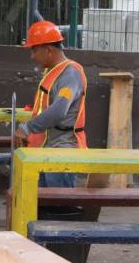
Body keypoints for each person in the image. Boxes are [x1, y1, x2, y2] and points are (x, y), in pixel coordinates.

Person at [14, 20, 88, 188]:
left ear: (48, 50)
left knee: (58, 207)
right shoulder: (54, 71)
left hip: (62, 150)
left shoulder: (70, 73)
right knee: (42, 205)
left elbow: (59, 111)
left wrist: (27, 128)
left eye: (34, 50)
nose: (32, 56)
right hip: (48, 148)